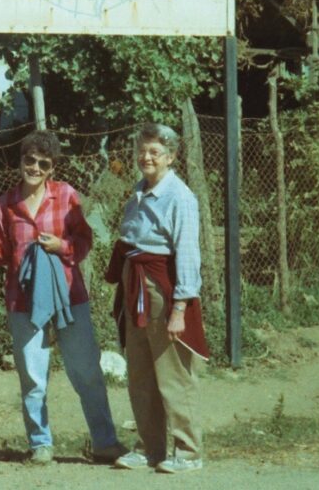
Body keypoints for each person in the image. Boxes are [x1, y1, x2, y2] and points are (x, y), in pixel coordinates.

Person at [0, 130, 126, 466]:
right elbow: (0, 251)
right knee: (32, 375)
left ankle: (105, 442)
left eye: (43, 163)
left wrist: (62, 247)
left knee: (86, 370)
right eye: (29, 160)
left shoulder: (67, 196)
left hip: (68, 297)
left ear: (51, 169)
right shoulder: (6, 203)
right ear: (21, 161)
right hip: (23, 301)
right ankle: (41, 444)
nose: (34, 167)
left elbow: (85, 241)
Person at [105, 123, 209, 474]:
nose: (146, 157)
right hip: (136, 287)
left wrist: (180, 308)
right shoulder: (139, 190)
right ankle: (150, 448)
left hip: (162, 290)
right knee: (141, 372)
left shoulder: (179, 197)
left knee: (172, 373)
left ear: (171, 157)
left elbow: (188, 254)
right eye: (143, 150)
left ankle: (188, 451)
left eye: (155, 152)